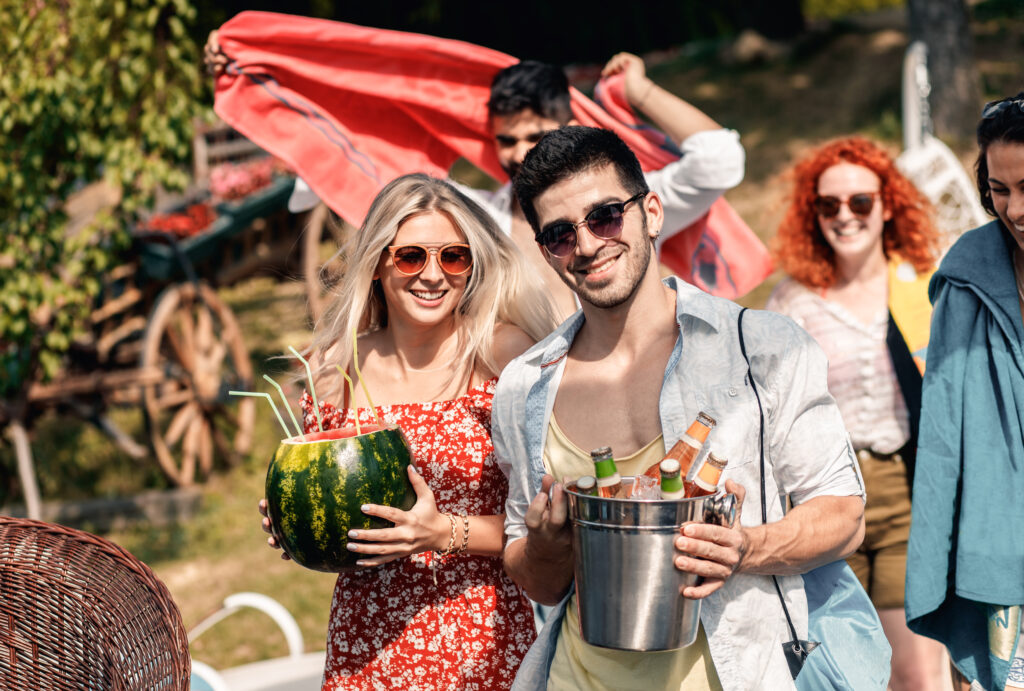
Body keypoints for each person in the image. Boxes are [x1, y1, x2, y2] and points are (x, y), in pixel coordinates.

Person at [493, 125, 872, 689]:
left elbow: (844, 515)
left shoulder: (762, 348)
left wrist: (745, 547)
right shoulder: (524, 385)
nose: (589, 245)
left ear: (650, 211)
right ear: (546, 251)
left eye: (604, 216)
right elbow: (537, 578)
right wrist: (546, 546)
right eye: (560, 234)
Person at [260, 173, 560, 690]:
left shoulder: (506, 356)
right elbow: (337, 521)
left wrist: (442, 531)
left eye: (453, 256)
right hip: (367, 647)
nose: (433, 275)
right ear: (378, 262)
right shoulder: (336, 369)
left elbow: (553, 517)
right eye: (411, 256)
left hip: (483, 643)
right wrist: (297, 525)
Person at [204, 33, 745, 318]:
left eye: (533, 135)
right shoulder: (478, 216)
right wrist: (256, 76)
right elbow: (363, 173)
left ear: (568, 124)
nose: (518, 153)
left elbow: (719, 159)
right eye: (505, 140)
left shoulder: (621, 208)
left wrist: (639, 91)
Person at [765, 136, 947, 691]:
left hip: (903, 491)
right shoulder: (790, 301)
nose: (845, 216)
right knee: (846, 673)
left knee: (915, 673)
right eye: (829, 205)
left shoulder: (926, 285)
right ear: (812, 212)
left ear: (888, 204)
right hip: (819, 496)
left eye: (860, 202)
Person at [906, 93, 1024, 691]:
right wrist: (946, 583)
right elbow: (942, 448)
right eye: (1000, 190)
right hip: (1000, 575)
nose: (1017, 209)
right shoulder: (966, 281)